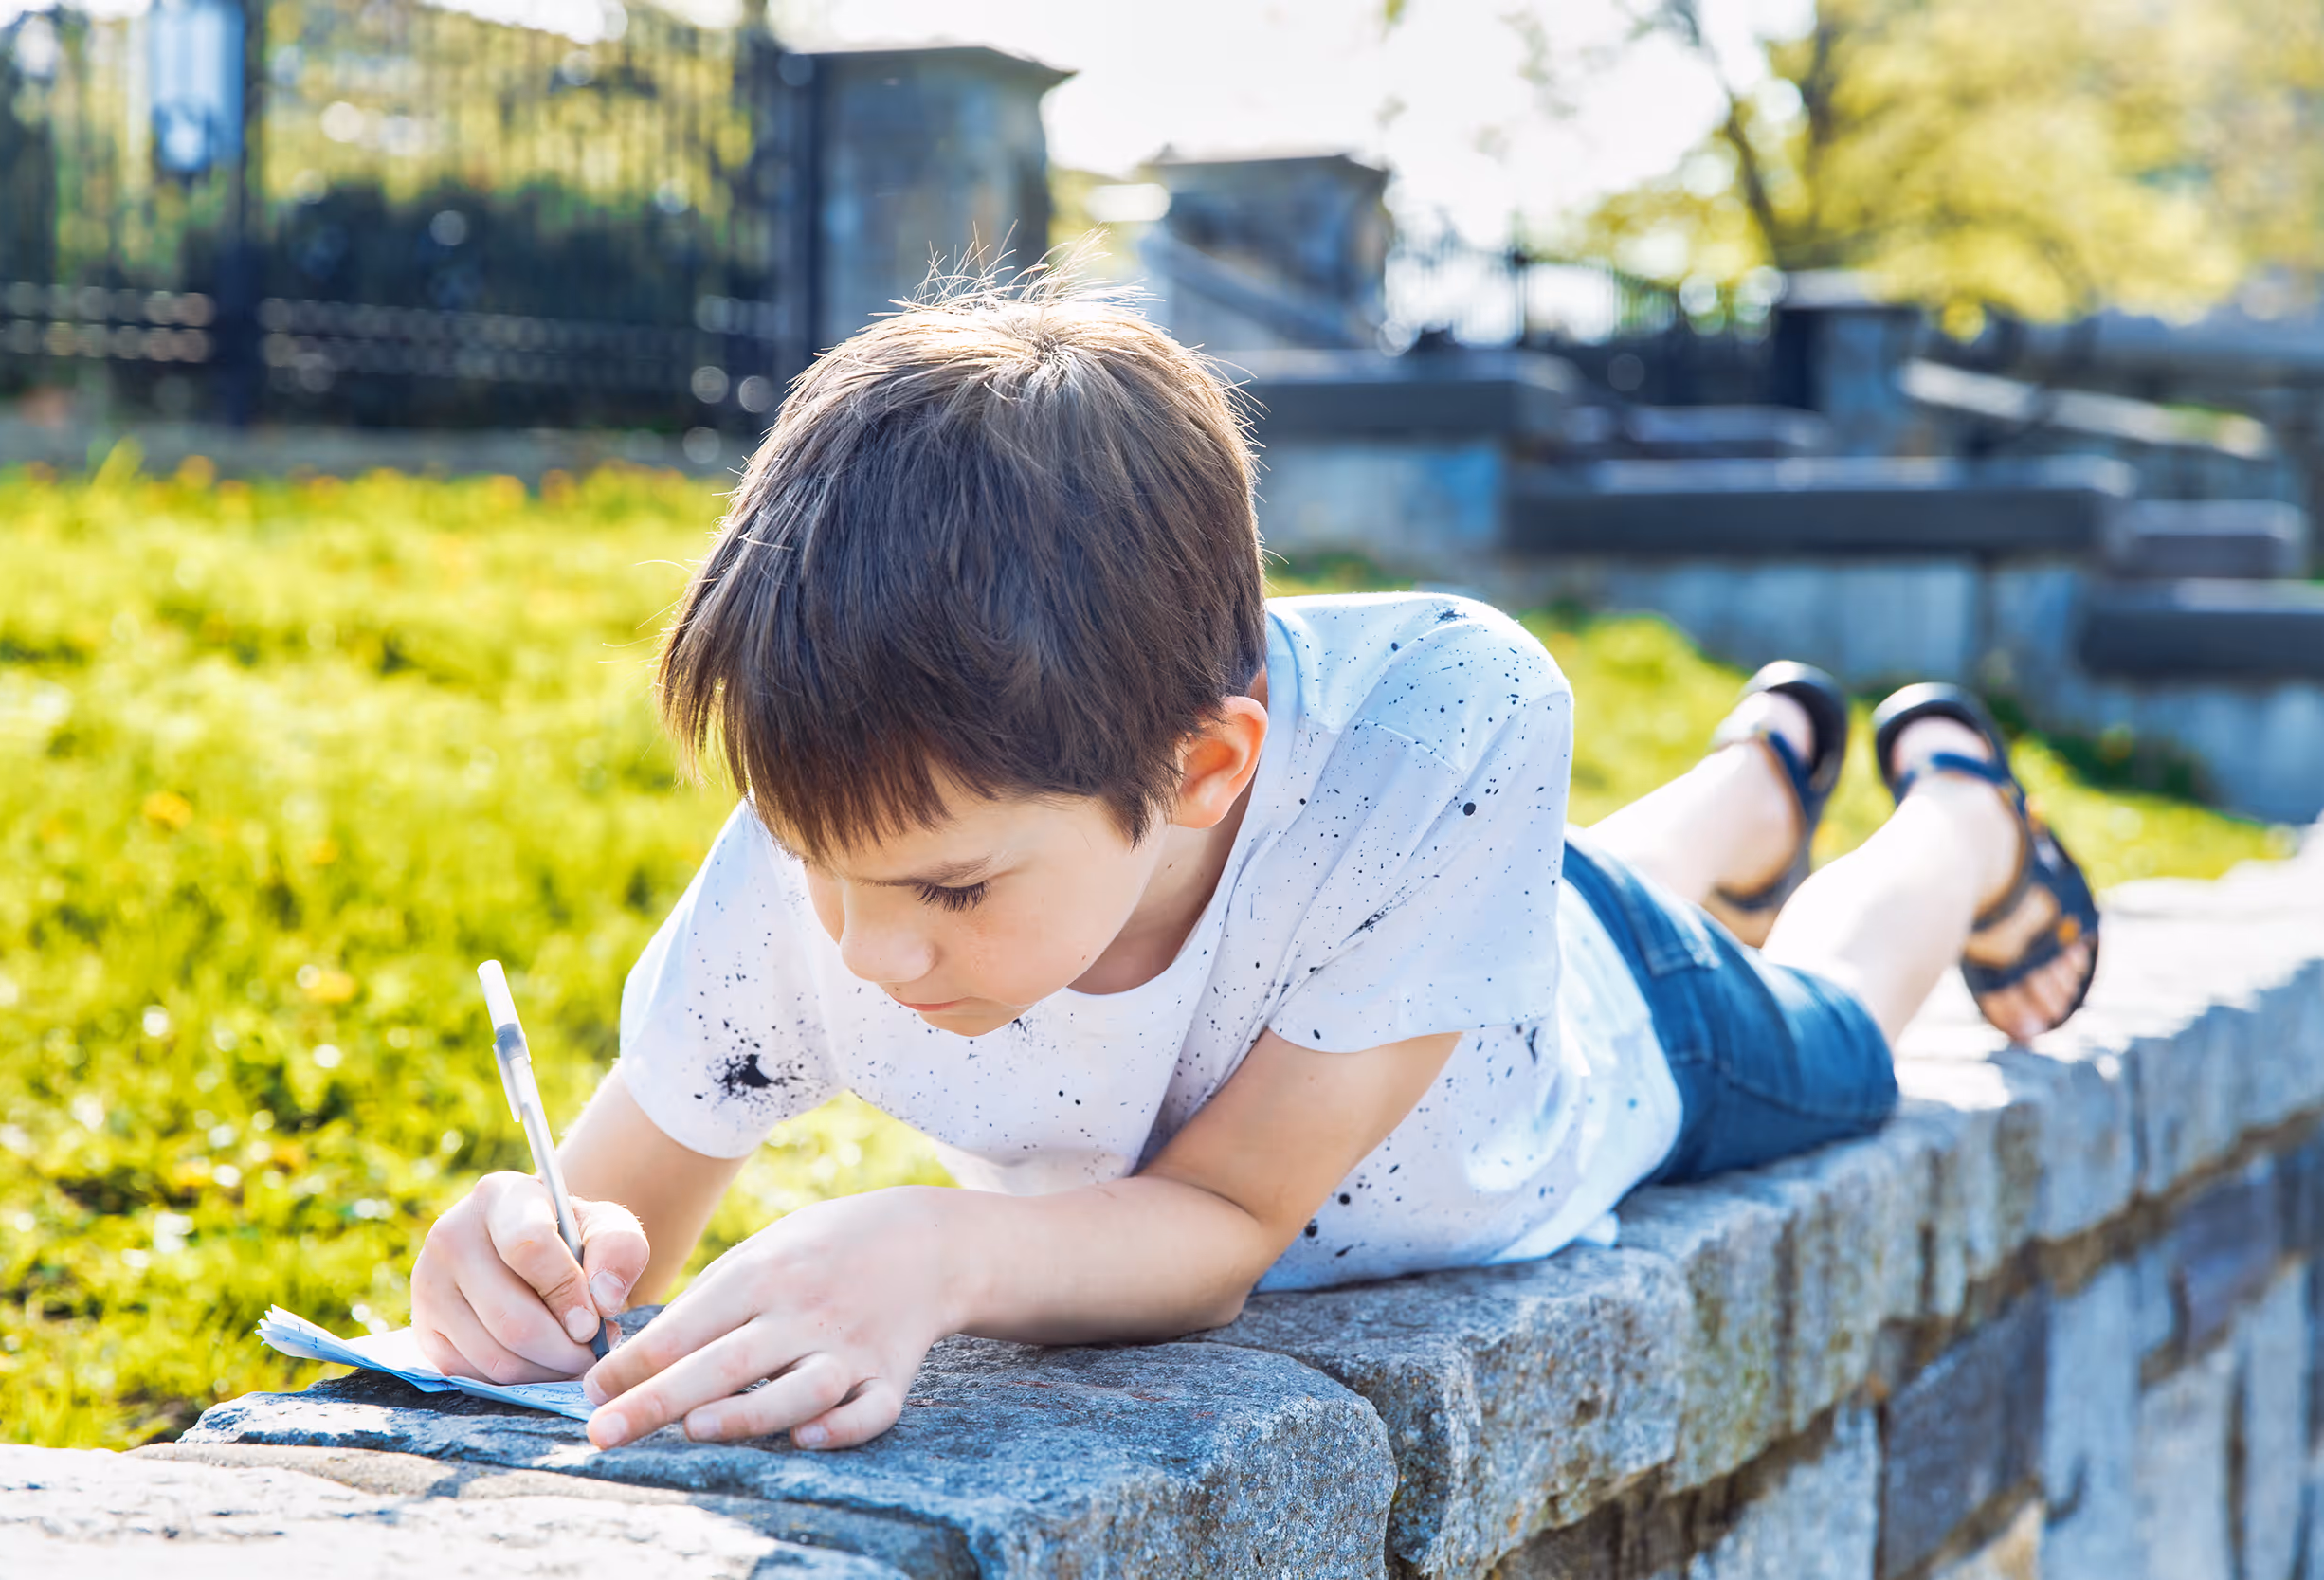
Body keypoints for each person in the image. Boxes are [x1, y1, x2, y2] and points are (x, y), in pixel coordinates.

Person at [407, 280, 2099, 1454]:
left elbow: (1225, 1222)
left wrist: (946, 1250)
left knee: (1843, 1037)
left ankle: (1957, 817)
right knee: (1547, 877)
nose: (863, 952)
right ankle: (1754, 778)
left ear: (1206, 767)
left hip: (1614, 1026)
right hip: (1433, 937)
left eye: (949, 894)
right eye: (816, 865)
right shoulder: (855, 838)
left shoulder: (1450, 714)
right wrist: (523, 1262)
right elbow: (622, 1208)